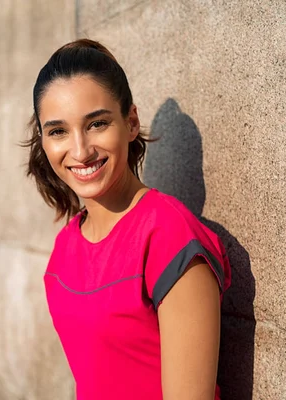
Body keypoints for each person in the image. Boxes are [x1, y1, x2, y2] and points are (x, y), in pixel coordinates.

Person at [24, 39, 232, 400]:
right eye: (58, 131)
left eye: (97, 124)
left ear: (131, 123)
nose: (80, 150)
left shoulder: (167, 235)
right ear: (44, 141)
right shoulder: (66, 244)